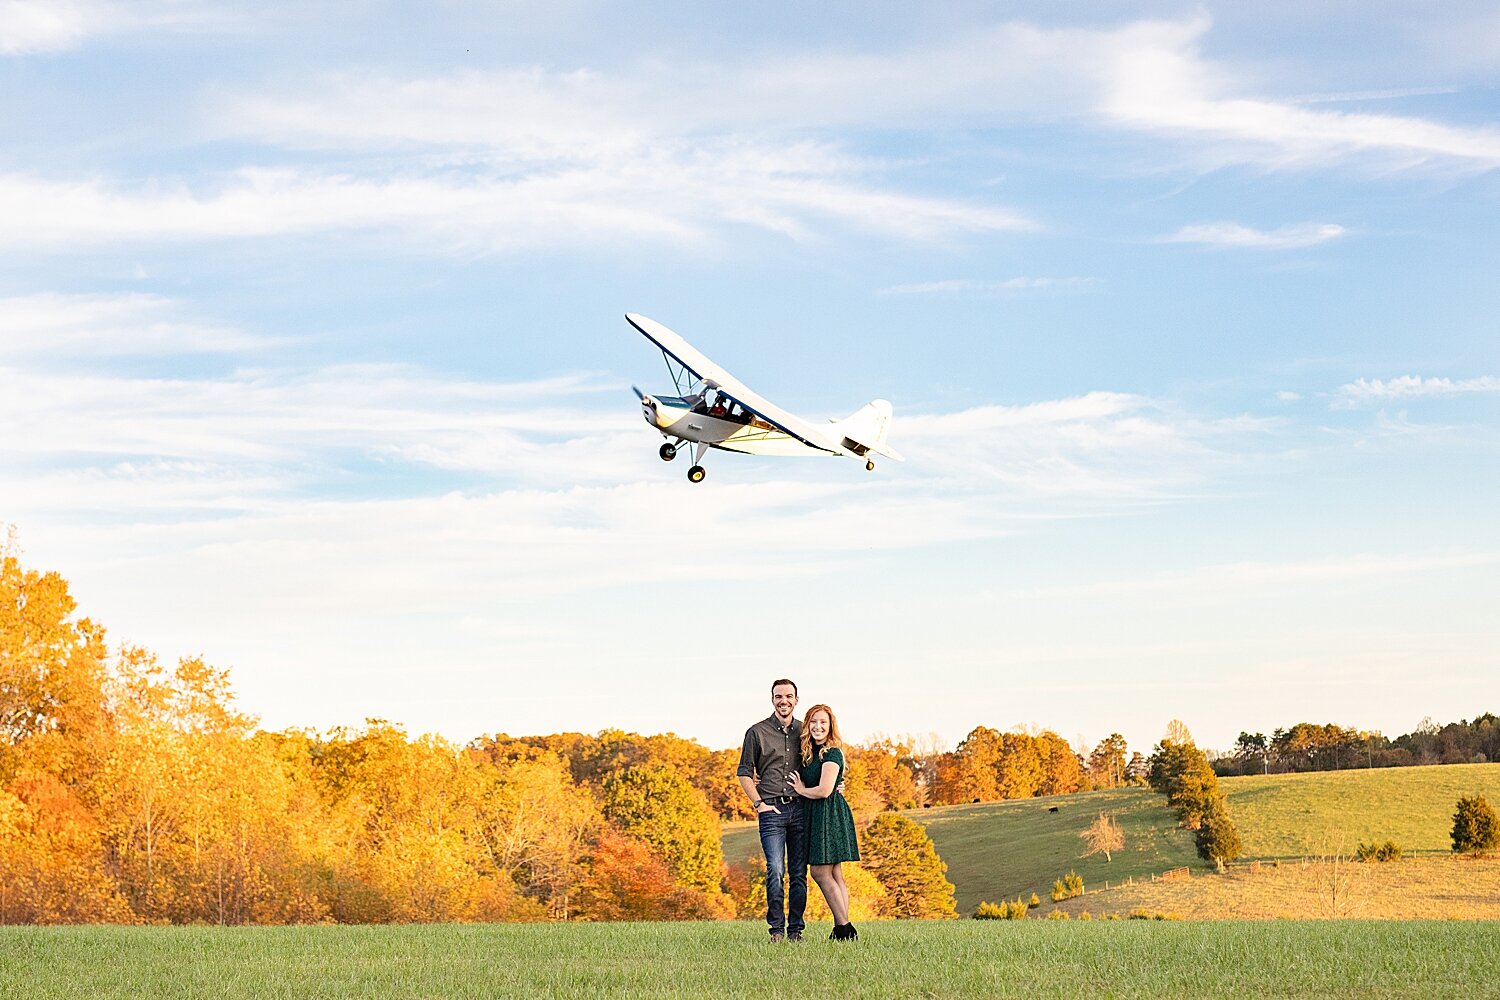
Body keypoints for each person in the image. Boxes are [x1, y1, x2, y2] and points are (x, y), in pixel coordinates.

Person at [737, 678, 808, 942]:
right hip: (771, 811)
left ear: (796, 700)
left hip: (801, 810)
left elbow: (822, 762)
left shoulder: (805, 731)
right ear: (772, 700)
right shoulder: (757, 732)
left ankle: (796, 931)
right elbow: (744, 772)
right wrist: (759, 804)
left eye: (789, 696)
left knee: (799, 872)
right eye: (779, 696)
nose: (784, 701)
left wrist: (838, 782)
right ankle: (776, 930)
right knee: (776, 869)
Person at [791, 703, 861, 941]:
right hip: (818, 814)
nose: (818, 727)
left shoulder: (832, 753)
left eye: (823, 722)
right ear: (807, 725)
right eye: (813, 722)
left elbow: (823, 790)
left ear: (831, 726)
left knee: (820, 873)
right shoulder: (810, 751)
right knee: (835, 874)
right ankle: (842, 928)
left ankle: (844, 927)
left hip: (828, 815)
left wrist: (801, 789)